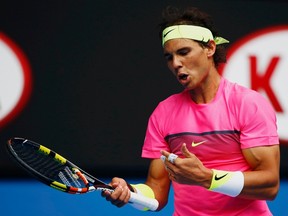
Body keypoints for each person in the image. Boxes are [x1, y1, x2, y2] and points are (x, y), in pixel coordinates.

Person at [102, 6, 280, 215]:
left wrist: (207, 178)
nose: (176, 63)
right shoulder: (163, 113)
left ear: (210, 48)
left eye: (184, 52)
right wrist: (130, 193)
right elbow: (157, 192)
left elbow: (269, 185)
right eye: (169, 57)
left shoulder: (248, 104)